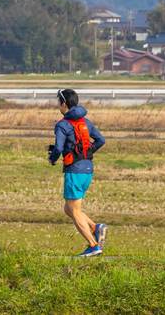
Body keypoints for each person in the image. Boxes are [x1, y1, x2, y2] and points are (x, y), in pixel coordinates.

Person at [48, 88, 107, 257]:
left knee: (74, 210)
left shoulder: (62, 125)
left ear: (64, 103)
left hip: (74, 171)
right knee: (69, 208)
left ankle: (93, 245)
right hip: (87, 169)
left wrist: (52, 158)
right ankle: (96, 227)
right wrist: (87, 152)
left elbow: (58, 147)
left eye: (58, 102)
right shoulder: (86, 121)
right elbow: (101, 140)